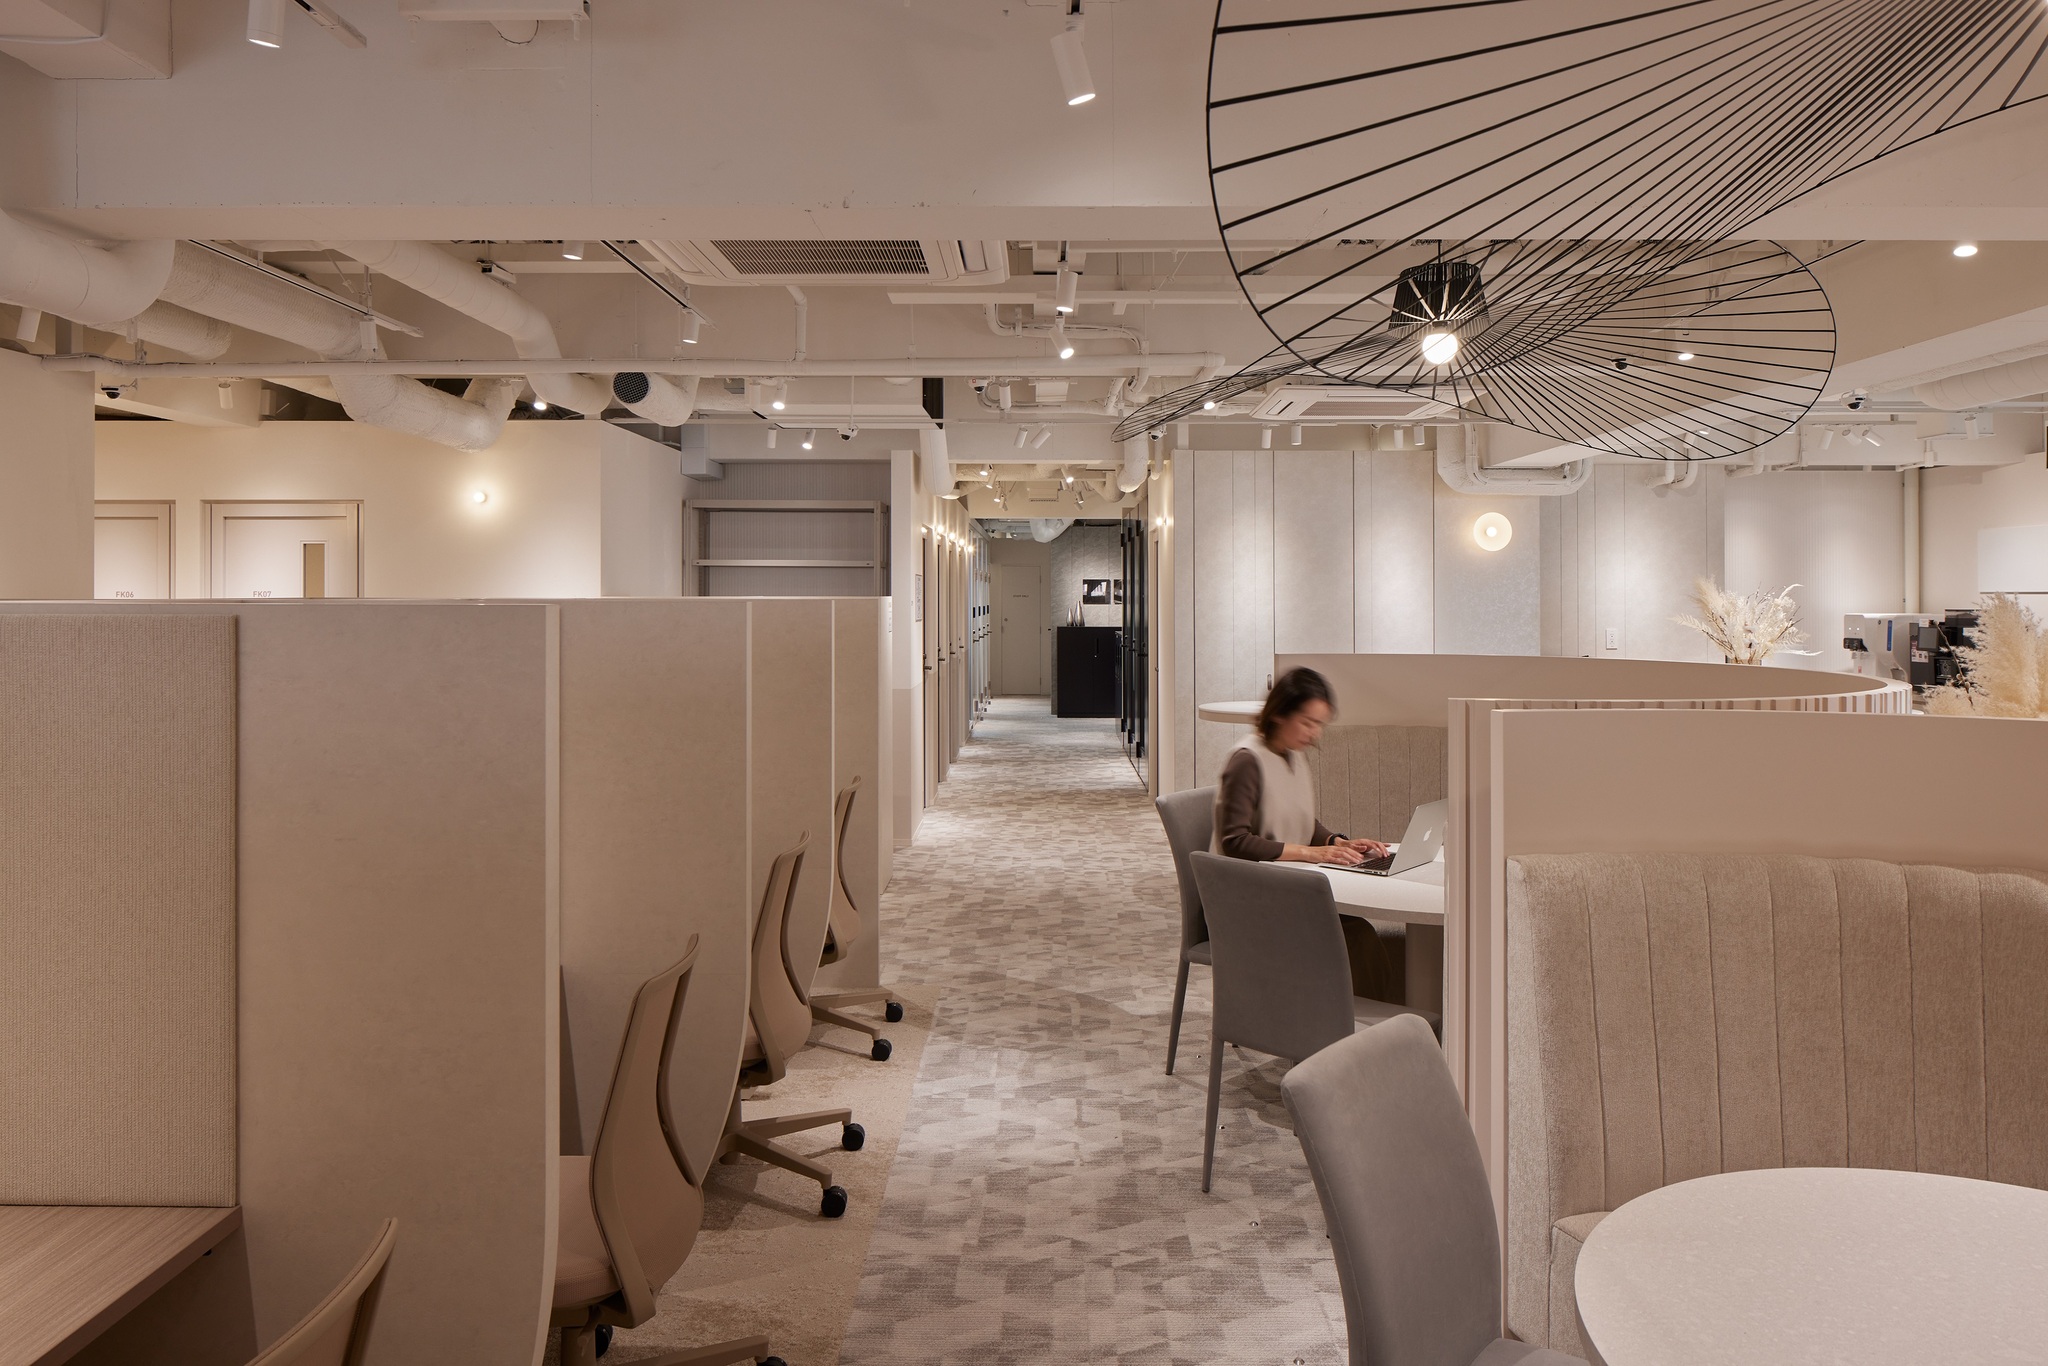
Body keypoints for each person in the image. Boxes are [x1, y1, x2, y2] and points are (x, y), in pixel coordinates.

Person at [1214, 666, 1400, 999]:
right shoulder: (1247, 760)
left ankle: (1361, 1020)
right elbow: (1235, 842)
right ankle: (1354, 1023)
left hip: (1283, 888)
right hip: (1245, 901)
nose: (1315, 734)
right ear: (1279, 713)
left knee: (1359, 931)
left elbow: (1300, 819)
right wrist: (1311, 853)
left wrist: (1337, 842)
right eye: (1308, 722)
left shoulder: (1292, 755)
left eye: (1320, 725)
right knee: (1357, 938)